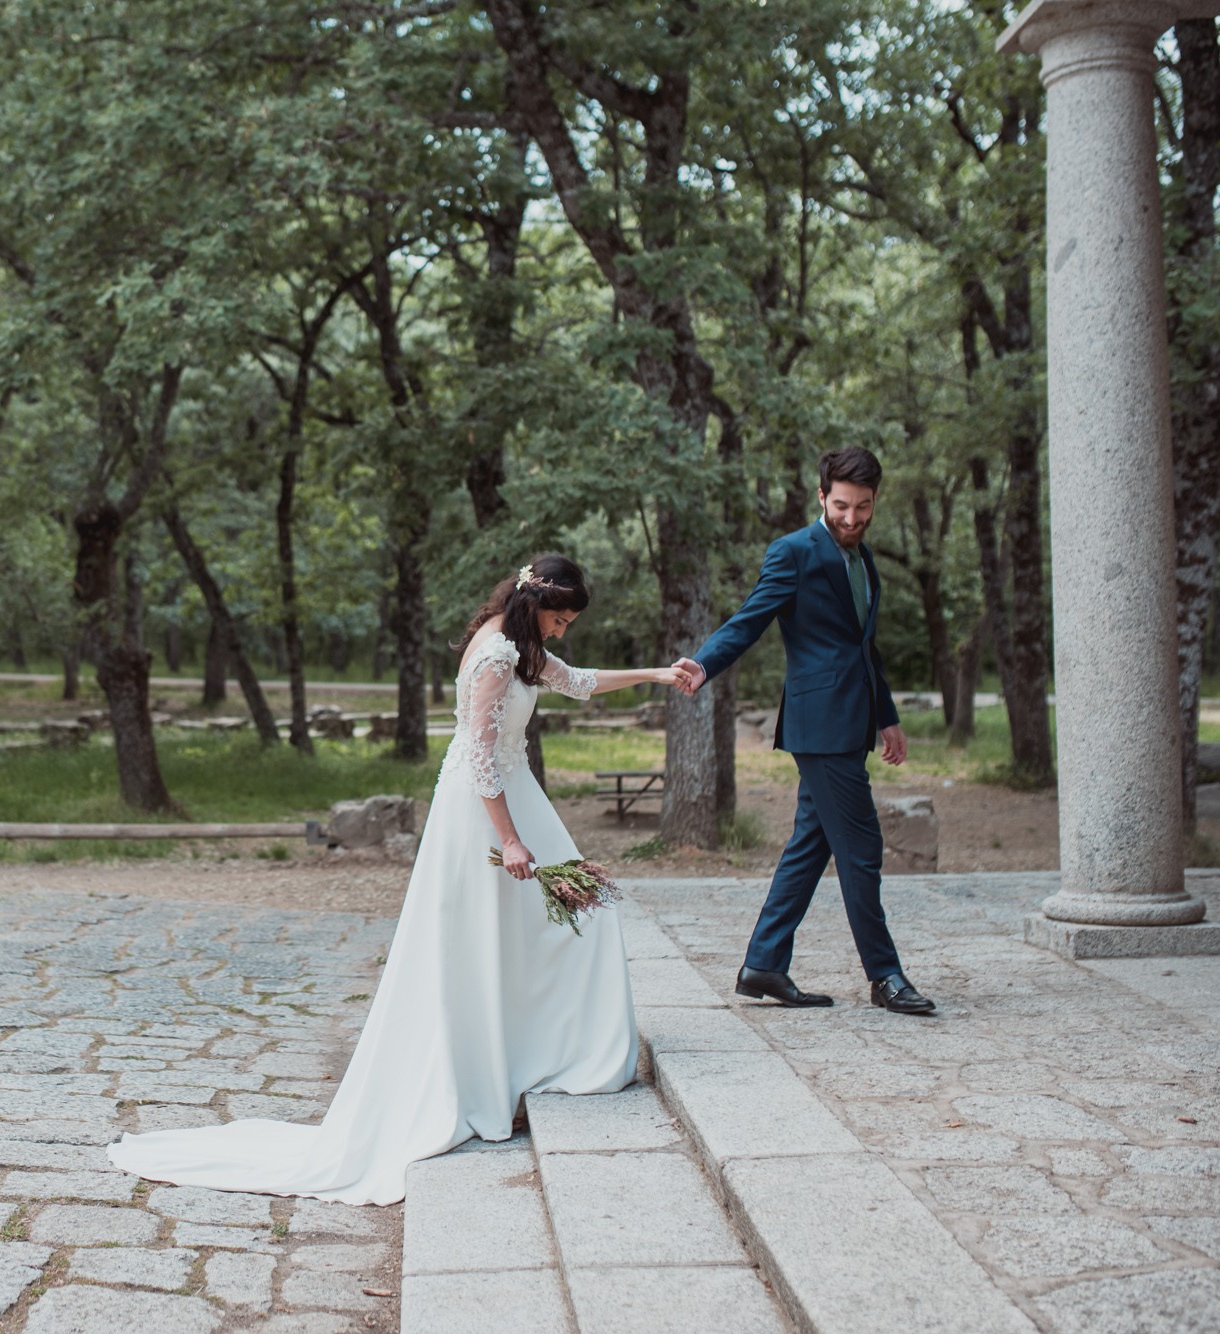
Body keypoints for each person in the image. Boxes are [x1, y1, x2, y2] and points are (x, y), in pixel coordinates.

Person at [107, 554, 693, 1204]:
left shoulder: (514, 640)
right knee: (518, 933)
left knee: (567, 920)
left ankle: (534, 1061)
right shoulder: (498, 654)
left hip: (512, 797)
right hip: (487, 811)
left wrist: (659, 674)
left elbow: (578, 680)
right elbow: (478, 755)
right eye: (560, 619)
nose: (561, 632)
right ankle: (506, 1073)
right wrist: (509, 839)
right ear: (536, 605)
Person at [674, 446, 936, 1016]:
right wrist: (704, 662)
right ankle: (885, 976)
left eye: (863, 508)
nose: (851, 518)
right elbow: (751, 618)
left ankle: (764, 964)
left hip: (853, 720)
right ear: (822, 497)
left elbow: (864, 647)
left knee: (810, 844)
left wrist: (885, 714)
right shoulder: (793, 552)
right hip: (819, 724)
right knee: (863, 847)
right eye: (841, 506)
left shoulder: (865, 559)